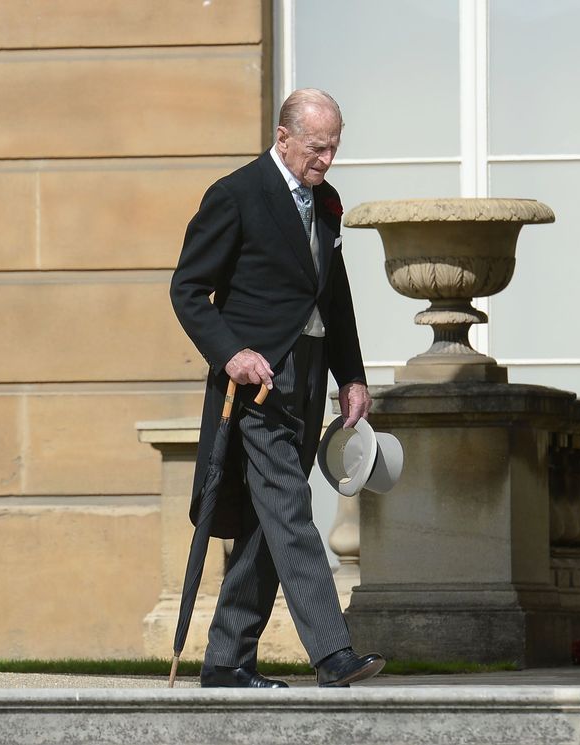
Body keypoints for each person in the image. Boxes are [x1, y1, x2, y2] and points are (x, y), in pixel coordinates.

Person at [170, 89, 384, 688]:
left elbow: (332, 295)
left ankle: (226, 659)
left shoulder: (327, 201)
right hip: (258, 383)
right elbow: (187, 289)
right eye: (317, 147)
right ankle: (333, 652)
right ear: (284, 136)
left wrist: (353, 375)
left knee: (269, 522)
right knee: (291, 510)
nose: (327, 160)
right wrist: (231, 354)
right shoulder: (236, 194)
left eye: (334, 148)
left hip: (310, 375)